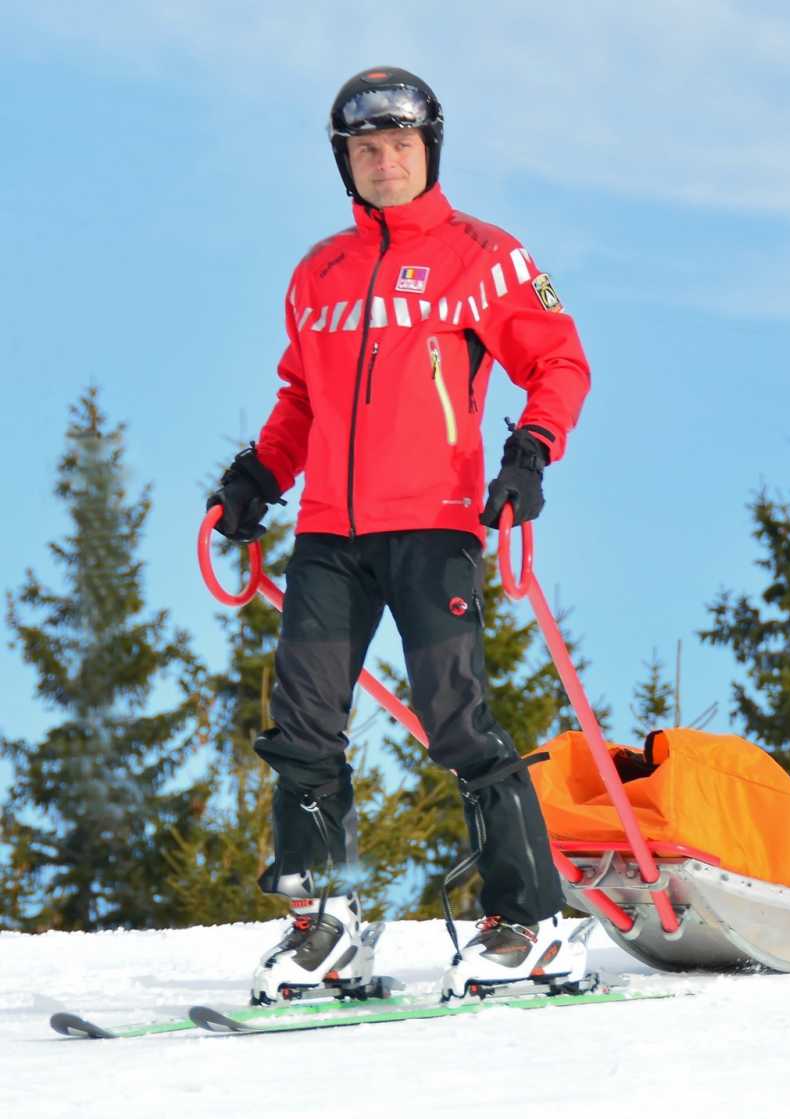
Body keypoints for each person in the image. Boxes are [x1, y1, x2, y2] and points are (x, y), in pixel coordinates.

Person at [207, 67, 592, 1002]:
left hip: (434, 525)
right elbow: (301, 399)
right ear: (346, 161)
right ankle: (320, 927)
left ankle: (531, 919)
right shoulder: (318, 272)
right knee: (303, 726)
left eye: (402, 148)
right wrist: (260, 473)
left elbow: (559, 361)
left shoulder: (486, 257)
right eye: (367, 150)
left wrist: (529, 456)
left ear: (431, 151)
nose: (386, 164)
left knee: (454, 716)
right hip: (330, 536)